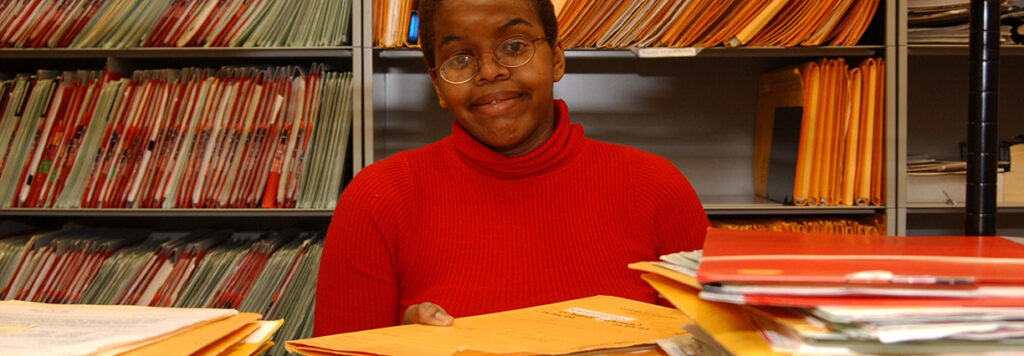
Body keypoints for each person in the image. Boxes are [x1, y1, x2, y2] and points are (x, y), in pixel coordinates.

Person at [313, 0, 709, 336]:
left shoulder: (658, 189)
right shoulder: (377, 199)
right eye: (459, 58)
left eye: (514, 46)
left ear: (556, 59)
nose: (489, 72)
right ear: (437, 85)